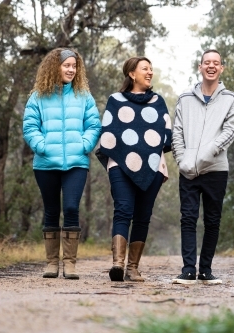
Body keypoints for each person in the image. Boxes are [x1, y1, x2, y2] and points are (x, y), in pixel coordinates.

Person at [23, 48, 101, 279]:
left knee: (70, 208)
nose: (70, 69)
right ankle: (51, 264)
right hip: (46, 163)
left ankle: (70, 264)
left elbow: (94, 126)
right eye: (66, 65)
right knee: (51, 210)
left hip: (76, 162)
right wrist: (42, 146)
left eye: (74, 66)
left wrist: (84, 145)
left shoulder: (84, 96)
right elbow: (30, 127)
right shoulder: (38, 96)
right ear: (54, 67)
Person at [96, 56, 172, 282]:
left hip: (152, 166)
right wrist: (129, 151)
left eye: (151, 69)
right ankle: (117, 265)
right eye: (145, 69)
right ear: (131, 73)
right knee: (123, 209)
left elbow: (166, 133)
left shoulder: (158, 101)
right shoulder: (115, 100)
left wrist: (144, 150)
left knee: (143, 216)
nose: (150, 73)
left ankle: (133, 268)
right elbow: (108, 133)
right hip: (120, 163)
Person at [171, 49, 234, 285]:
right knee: (188, 219)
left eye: (216, 63)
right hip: (188, 170)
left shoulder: (230, 98)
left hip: (216, 169)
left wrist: (207, 154)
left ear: (221, 68)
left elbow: (229, 132)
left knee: (212, 221)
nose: (211, 66)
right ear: (200, 67)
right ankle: (188, 270)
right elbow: (177, 132)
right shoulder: (185, 99)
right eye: (206, 62)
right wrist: (182, 160)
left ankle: (206, 270)